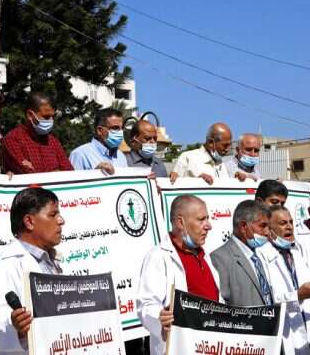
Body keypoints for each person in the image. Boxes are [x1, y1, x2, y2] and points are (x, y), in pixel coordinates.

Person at [0, 187, 65, 355]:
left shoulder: (52, 261)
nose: (61, 221)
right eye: (53, 215)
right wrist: (15, 327)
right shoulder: (3, 266)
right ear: (29, 222)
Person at [137, 195, 221, 355]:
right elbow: (145, 304)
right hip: (180, 348)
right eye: (201, 219)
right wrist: (159, 317)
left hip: (210, 346)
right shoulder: (159, 256)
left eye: (208, 219)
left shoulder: (205, 255)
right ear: (180, 222)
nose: (208, 226)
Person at [257, 206, 310, 355]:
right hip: (284, 333)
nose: (290, 227)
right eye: (283, 223)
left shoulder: (296, 251)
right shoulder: (262, 255)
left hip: (307, 325)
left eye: (291, 222)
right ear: (269, 228)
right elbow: (267, 300)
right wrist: (297, 296)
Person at [210, 200, 274, 306]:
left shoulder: (260, 255)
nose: (267, 232)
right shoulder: (220, 258)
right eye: (263, 226)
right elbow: (221, 306)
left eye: (268, 227)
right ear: (244, 226)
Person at [0, 93, 74, 174]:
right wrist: (57, 172)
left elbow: (69, 172)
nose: (51, 121)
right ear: (30, 115)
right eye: (46, 117)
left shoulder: (53, 141)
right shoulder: (13, 139)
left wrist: (36, 170)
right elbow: (28, 174)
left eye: (53, 117)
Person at [69, 108, 128, 174]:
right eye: (115, 128)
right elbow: (73, 183)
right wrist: (95, 173)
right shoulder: (80, 154)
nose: (120, 132)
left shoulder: (121, 156)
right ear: (99, 130)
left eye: (122, 128)